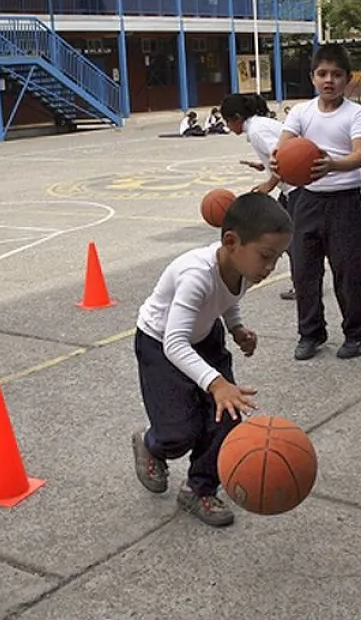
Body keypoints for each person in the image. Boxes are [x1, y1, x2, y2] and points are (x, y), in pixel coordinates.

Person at [131, 193, 292, 527]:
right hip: (160, 343)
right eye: (266, 257)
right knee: (179, 431)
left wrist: (236, 328)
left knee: (226, 419)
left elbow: (228, 296)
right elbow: (175, 343)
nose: (270, 268)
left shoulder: (244, 267)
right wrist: (217, 383)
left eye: (276, 259)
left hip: (205, 338)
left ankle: (199, 488)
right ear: (231, 241)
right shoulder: (196, 274)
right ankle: (151, 444)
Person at [272, 43, 361, 361]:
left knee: (348, 273)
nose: (329, 80)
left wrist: (331, 165)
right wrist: (278, 162)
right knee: (304, 272)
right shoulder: (302, 112)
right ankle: (310, 333)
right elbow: (284, 146)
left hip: (344, 202)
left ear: (347, 80)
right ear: (312, 77)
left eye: (336, 74)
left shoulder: (356, 114)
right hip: (306, 201)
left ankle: (357, 333)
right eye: (322, 74)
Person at [221, 92, 296, 300]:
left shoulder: (256, 130)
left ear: (236, 118)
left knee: (291, 241)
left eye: (227, 122)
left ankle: (304, 284)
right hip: (291, 188)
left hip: (296, 189)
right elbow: (277, 154)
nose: (228, 127)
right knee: (290, 241)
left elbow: (284, 157)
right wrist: (262, 165)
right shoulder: (260, 124)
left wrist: (269, 184)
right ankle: (302, 281)